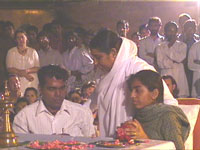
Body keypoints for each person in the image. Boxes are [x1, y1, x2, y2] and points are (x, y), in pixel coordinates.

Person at [89, 29, 178, 137]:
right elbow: (91, 104)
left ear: (113, 53)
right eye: (93, 58)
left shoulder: (139, 68)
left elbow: (169, 105)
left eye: (98, 57)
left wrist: (148, 134)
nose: (95, 63)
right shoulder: (102, 73)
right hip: (109, 142)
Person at [13, 65, 95, 136]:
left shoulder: (82, 113)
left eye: (62, 88)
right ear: (40, 89)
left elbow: (91, 145)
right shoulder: (24, 117)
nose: (58, 94)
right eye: (52, 89)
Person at [123, 70, 190, 150]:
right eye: (132, 91)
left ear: (154, 94)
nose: (132, 95)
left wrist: (144, 138)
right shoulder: (139, 116)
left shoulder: (168, 116)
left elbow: (178, 148)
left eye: (138, 91)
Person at [156, 21, 189, 97]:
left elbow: (180, 58)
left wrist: (169, 58)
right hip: (166, 74)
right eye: (169, 31)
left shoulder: (182, 45)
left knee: (181, 98)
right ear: (165, 32)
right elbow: (160, 63)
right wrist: (173, 62)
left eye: (173, 31)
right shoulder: (160, 47)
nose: (171, 33)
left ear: (177, 32)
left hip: (179, 75)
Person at [6, 29, 40, 95]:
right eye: (18, 38)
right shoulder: (11, 52)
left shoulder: (33, 51)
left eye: (22, 37)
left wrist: (27, 71)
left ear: (26, 38)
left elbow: (37, 67)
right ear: (15, 40)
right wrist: (24, 74)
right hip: (17, 83)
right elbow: (9, 69)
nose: (20, 39)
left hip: (31, 81)